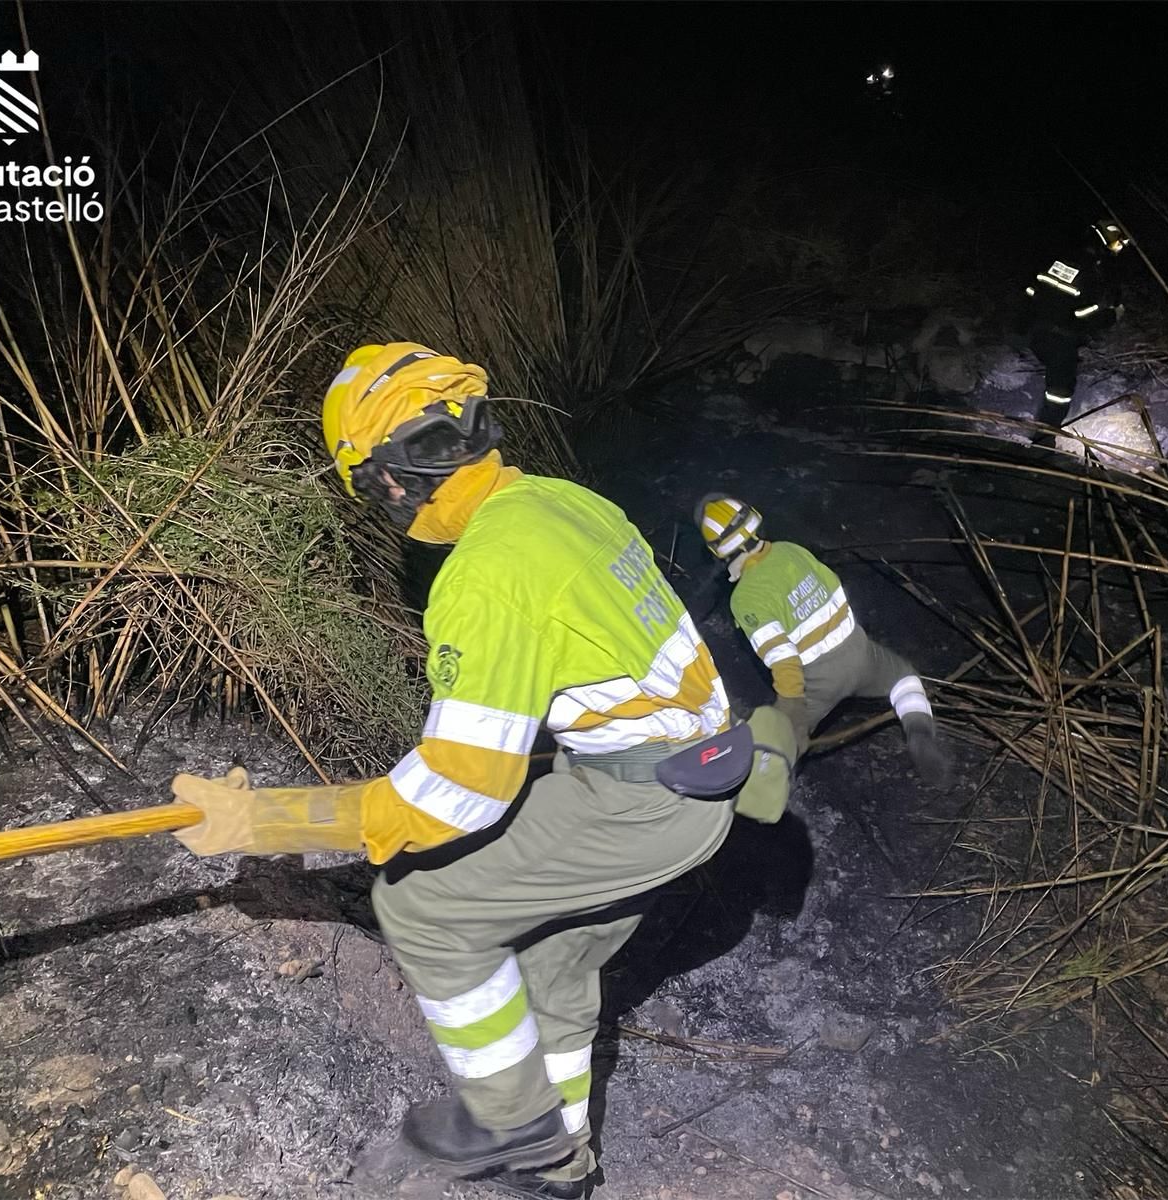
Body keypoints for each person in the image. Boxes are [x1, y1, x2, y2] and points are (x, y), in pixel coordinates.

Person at [168, 342, 740, 1198]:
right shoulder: (560, 501)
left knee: (422, 905)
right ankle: (562, 1165)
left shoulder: (483, 575)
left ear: (389, 478)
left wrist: (266, 821)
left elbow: (457, 797)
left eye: (365, 485)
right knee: (553, 959)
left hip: (642, 802)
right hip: (697, 770)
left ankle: (512, 1126)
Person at [694, 494, 950, 783]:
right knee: (905, 679)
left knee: (777, 746)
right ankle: (919, 730)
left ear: (718, 551)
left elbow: (783, 659)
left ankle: (759, 798)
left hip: (819, 679)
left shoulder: (746, 597)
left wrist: (791, 712)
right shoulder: (791, 550)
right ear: (755, 522)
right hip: (859, 651)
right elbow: (833, 588)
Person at [1016, 219, 1131, 443]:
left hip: (1037, 330)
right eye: (1115, 245)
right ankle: (1044, 441)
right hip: (1060, 338)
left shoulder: (1060, 260)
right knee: (1060, 392)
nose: (1117, 251)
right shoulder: (1092, 273)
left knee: (1051, 376)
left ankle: (1039, 428)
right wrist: (1112, 315)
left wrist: (1024, 323)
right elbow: (1083, 317)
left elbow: (1032, 291)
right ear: (1102, 244)